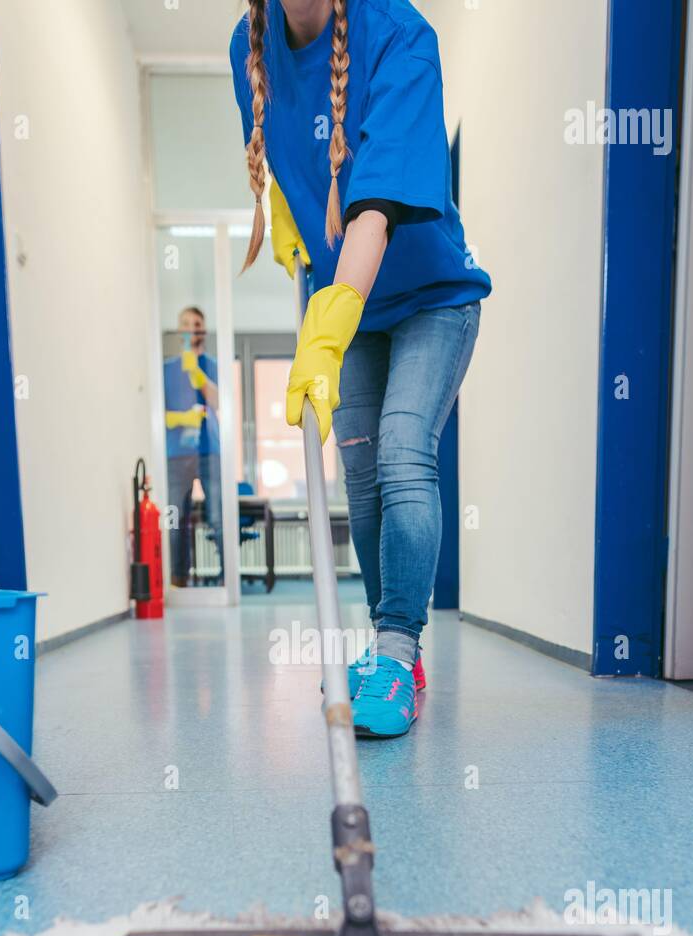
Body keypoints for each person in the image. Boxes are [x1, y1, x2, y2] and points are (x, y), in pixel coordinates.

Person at [230, 0, 491, 736]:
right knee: (363, 477)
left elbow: (373, 210)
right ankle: (392, 658)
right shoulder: (244, 48)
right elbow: (283, 157)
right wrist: (285, 212)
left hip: (431, 297)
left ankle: (396, 647)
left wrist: (331, 318)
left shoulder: (400, 34)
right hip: (349, 299)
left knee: (405, 452)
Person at [163, 306, 223, 584]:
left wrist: (198, 376)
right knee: (176, 520)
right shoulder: (165, 369)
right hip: (176, 456)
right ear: (179, 329)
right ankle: (178, 579)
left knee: (218, 516)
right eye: (185, 323)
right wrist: (180, 418)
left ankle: (227, 579)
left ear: (203, 330)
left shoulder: (212, 365)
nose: (190, 328)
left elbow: (220, 402)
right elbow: (156, 414)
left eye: (196, 323)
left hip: (209, 450)